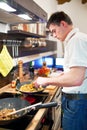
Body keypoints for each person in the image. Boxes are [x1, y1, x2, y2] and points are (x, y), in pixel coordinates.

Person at [34, 11, 87, 130]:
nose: (53, 35)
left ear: (63, 24)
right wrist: (55, 78)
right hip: (77, 101)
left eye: (53, 30)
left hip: (78, 102)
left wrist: (46, 81)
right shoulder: (74, 40)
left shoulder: (76, 41)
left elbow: (76, 78)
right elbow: (73, 72)